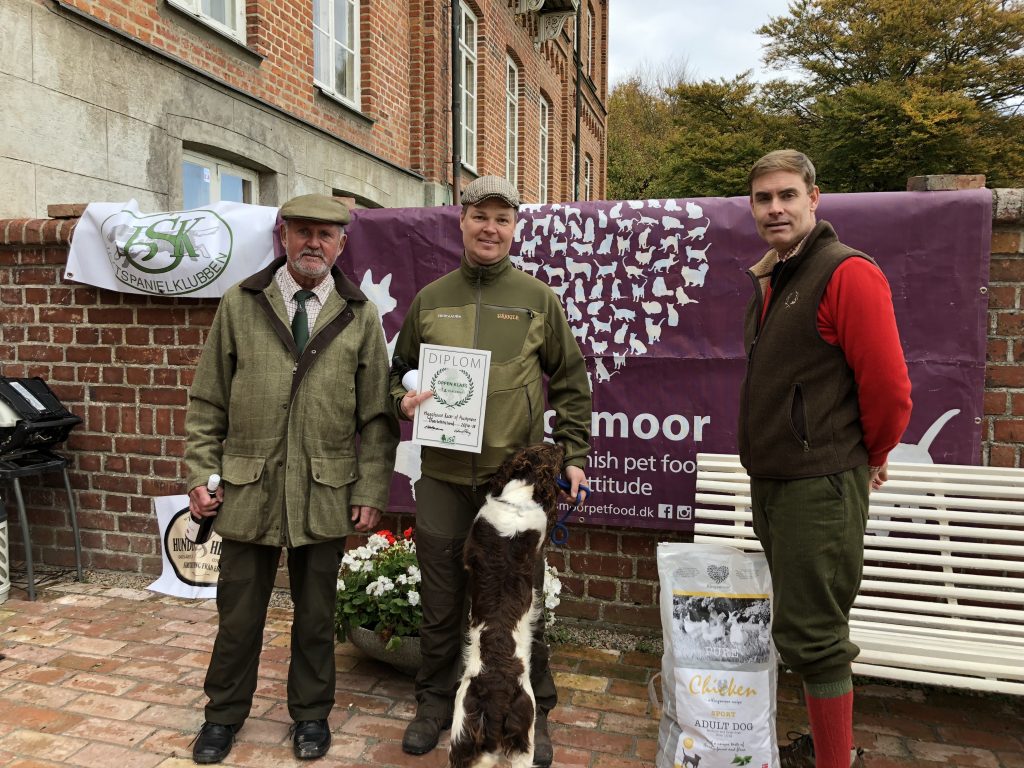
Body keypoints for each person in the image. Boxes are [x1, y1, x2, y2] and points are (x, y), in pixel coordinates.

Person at [184, 194, 399, 764]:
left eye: (326, 235)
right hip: (248, 488)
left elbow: (377, 417)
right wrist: (202, 474)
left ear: (342, 244)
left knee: (316, 615)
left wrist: (372, 489)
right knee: (239, 615)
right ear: (283, 234)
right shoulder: (241, 303)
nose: (313, 243)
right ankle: (222, 716)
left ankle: (310, 716)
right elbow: (207, 402)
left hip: (326, 490)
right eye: (303, 231)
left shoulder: (360, 314)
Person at [390, 175, 592, 766]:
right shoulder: (432, 298)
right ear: (462, 219)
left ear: (514, 227)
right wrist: (400, 399)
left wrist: (573, 455)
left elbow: (572, 385)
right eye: (481, 215)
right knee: (441, 596)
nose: (490, 228)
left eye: (502, 219)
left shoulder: (537, 299)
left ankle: (538, 709)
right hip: (445, 476)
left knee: (519, 600)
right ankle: (432, 705)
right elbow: (395, 369)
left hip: (514, 489)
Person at [739, 150, 912, 768]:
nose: (775, 208)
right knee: (800, 629)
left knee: (816, 639)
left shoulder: (846, 273)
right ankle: (822, 746)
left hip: (819, 485)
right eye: (763, 198)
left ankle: (834, 761)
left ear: (816, 198)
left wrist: (877, 450)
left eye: (787, 195)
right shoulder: (776, 275)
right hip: (778, 482)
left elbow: (889, 388)